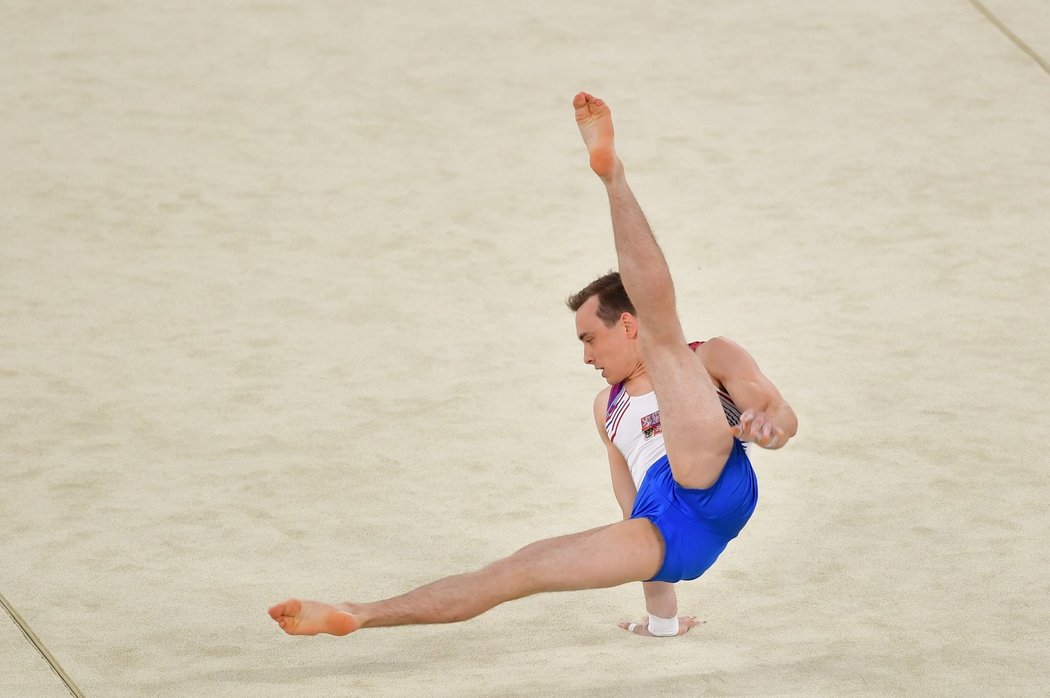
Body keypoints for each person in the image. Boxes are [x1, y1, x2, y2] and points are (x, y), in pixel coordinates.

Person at [267, 92, 798, 639]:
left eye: (591, 338)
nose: (586, 356)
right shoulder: (606, 410)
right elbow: (632, 508)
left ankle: (613, 177)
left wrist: (770, 431)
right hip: (666, 532)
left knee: (669, 342)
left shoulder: (707, 357)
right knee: (515, 570)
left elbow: (777, 416)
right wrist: (662, 619)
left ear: (627, 324)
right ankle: (360, 613)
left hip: (705, 480)